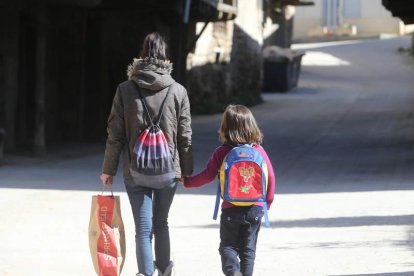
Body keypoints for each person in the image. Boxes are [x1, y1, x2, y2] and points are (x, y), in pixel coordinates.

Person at [100, 32, 193, 276]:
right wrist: (186, 171)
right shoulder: (178, 91)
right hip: (168, 169)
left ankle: (145, 273)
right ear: (166, 56)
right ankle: (164, 270)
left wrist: (108, 169)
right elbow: (185, 136)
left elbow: (115, 134)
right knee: (161, 223)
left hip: (135, 169)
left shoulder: (125, 89)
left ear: (142, 54)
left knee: (143, 228)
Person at [183, 104, 275, 276]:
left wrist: (188, 182)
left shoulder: (222, 152)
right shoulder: (259, 150)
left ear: (226, 127)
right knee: (248, 251)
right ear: (251, 125)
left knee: (228, 246)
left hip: (231, 208)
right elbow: (271, 176)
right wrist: (266, 204)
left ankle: (233, 273)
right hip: (255, 207)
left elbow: (207, 176)